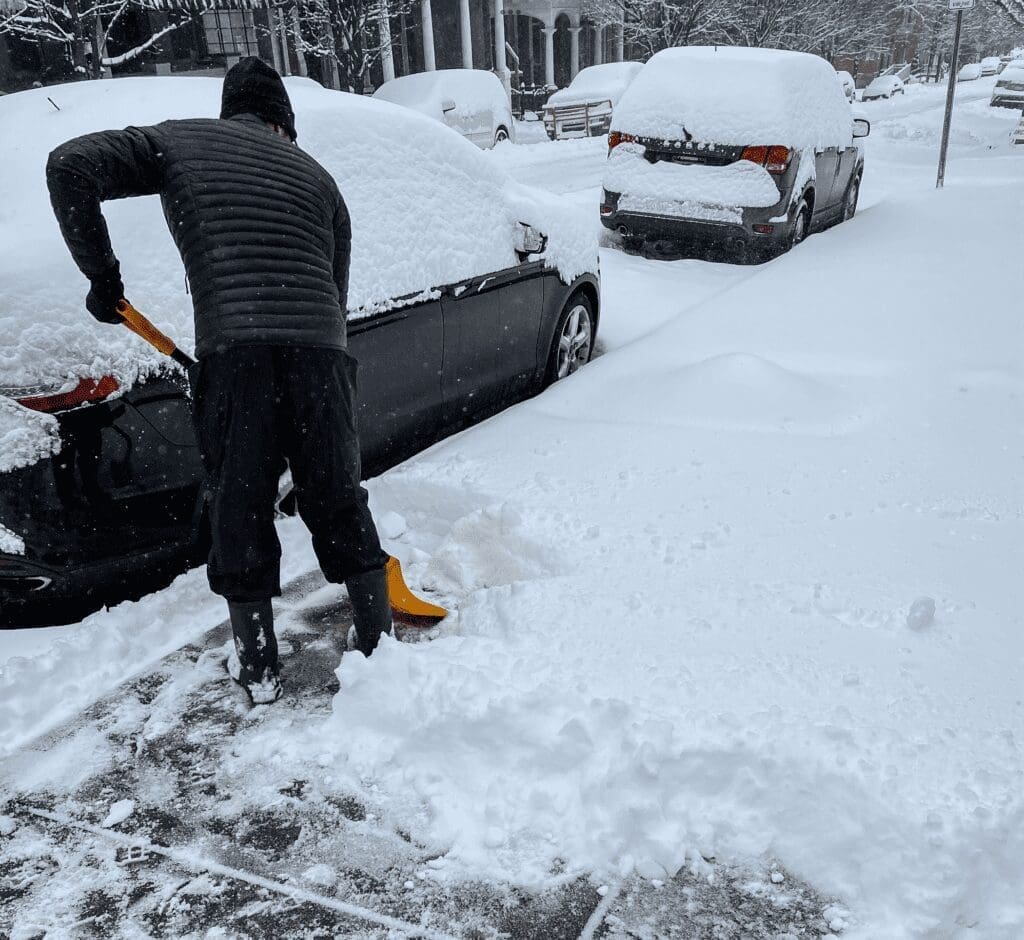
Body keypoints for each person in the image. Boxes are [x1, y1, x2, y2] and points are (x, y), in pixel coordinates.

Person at [46, 58, 393, 704]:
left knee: (242, 504)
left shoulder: (178, 142)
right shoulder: (320, 180)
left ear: (229, 112)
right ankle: (379, 639)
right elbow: (333, 299)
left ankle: (259, 669)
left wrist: (104, 277)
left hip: (236, 353)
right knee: (336, 497)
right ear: (283, 123)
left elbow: (69, 166)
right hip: (321, 353)